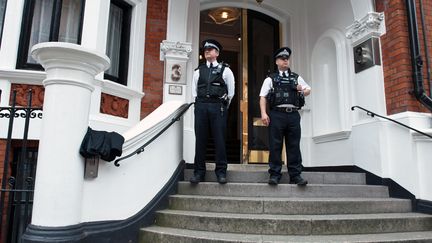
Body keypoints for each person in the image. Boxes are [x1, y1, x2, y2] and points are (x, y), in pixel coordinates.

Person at [259, 47, 311, 186]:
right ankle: (275, 174)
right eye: (282, 58)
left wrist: (302, 90)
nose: (285, 60)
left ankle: (295, 175)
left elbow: (308, 90)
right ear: (276, 61)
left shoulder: (296, 77)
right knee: (275, 145)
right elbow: (263, 97)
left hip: (293, 114)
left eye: (287, 58)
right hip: (276, 115)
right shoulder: (270, 79)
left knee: (294, 145)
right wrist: (264, 113)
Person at [190, 39, 235, 184]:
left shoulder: (226, 70)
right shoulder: (198, 71)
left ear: (217, 53)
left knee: (220, 140)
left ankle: (221, 172)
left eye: (210, 50)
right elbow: (194, 92)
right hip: (201, 106)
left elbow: (231, 92)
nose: (207, 52)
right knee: (200, 140)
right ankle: (198, 173)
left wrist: (222, 105)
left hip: (218, 107)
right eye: (205, 50)